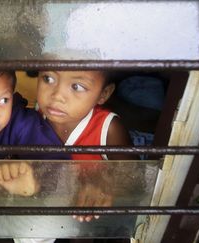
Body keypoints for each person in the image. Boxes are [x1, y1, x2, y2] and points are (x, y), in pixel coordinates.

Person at [36, 70, 138, 224]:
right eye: (48, 78)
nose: (57, 95)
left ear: (104, 93)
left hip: (90, 222)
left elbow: (135, 179)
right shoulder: (35, 116)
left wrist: (106, 185)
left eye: (76, 86)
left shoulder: (108, 129)